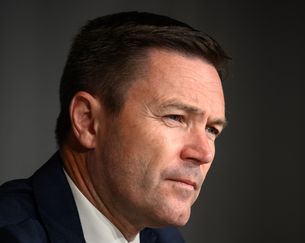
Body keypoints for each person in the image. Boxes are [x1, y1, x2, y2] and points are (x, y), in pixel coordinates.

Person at [0, 11, 229, 243]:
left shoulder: (166, 239)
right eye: (175, 117)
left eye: (211, 129)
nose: (204, 153)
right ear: (87, 121)